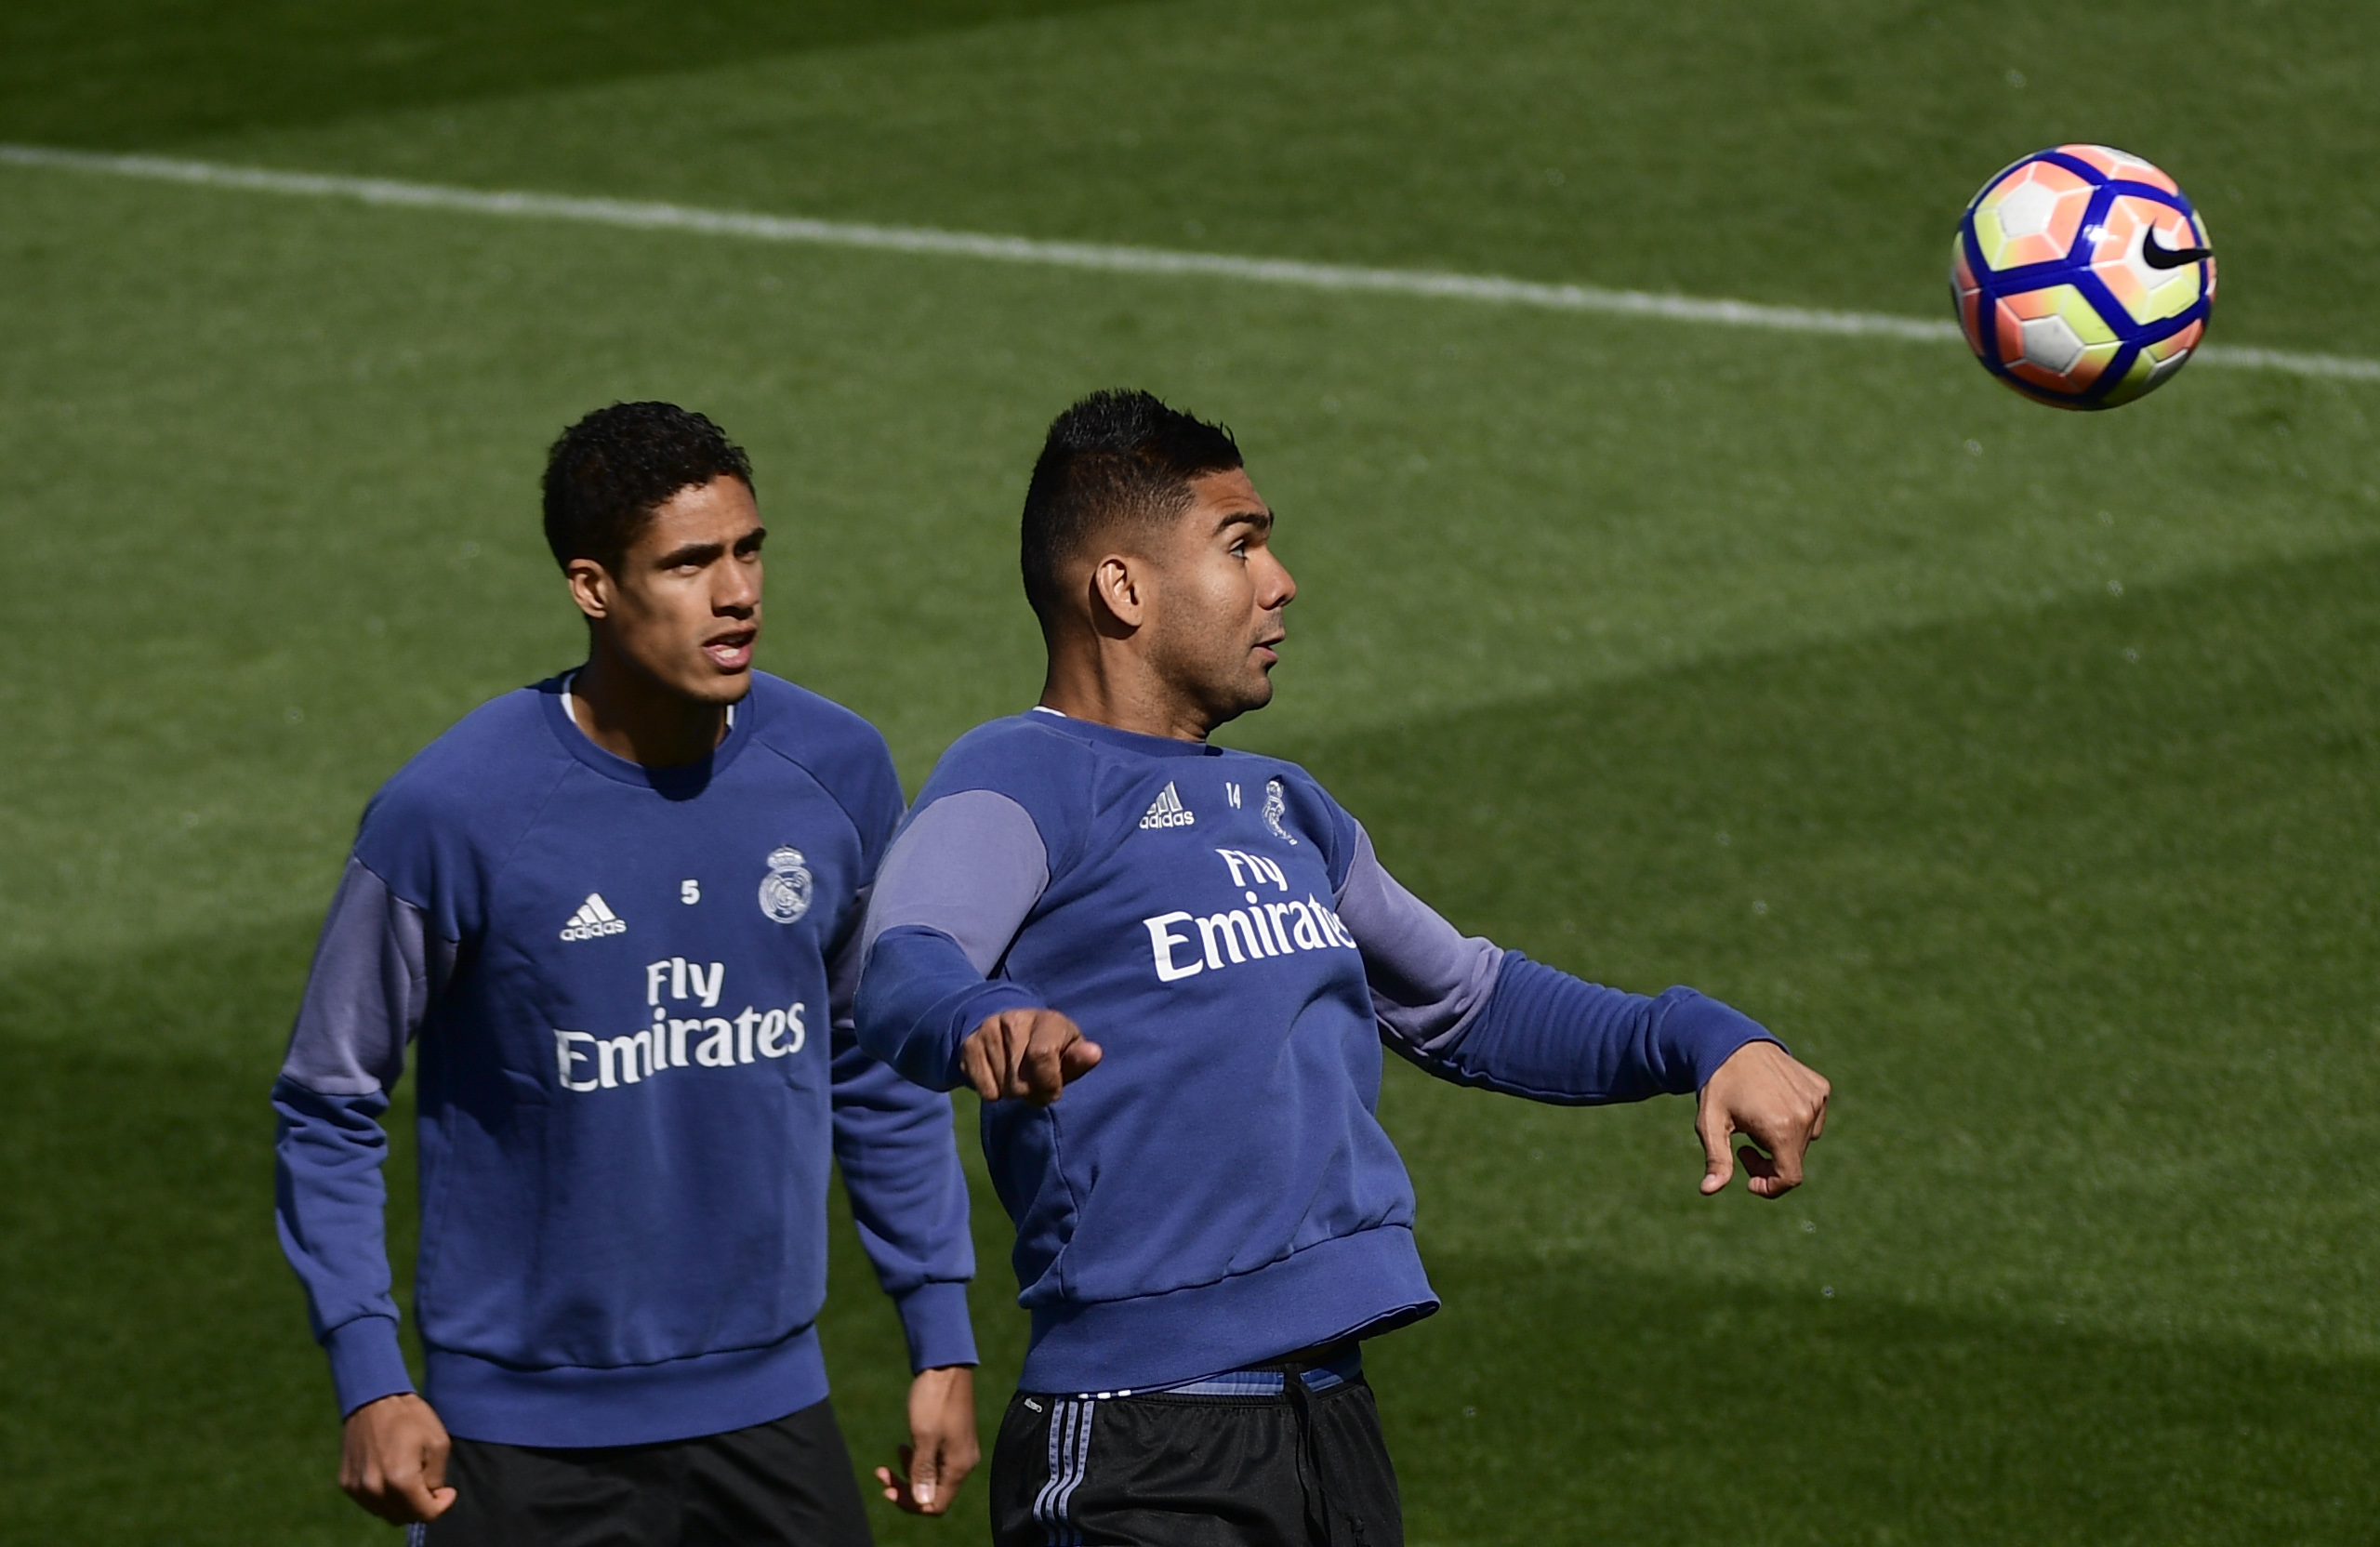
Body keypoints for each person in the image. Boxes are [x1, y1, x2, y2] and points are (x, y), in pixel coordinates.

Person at [853, 389, 1831, 1547]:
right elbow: (905, 962)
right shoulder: (1020, 774)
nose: (1281, 581)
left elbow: (1471, 999)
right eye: (1241, 543)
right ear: (1122, 588)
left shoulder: (1284, 807)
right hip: (1139, 1442)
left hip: (1327, 1423)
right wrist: (984, 1015)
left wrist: (1703, 1035)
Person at [271, 402, 981, 1545]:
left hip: (771, 1412)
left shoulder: (835, 770)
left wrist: (939, 1331)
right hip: (517, 1438)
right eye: (689, 563)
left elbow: (876, 1057)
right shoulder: (451, 813)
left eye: (748, 550)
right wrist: (370, 1372)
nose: (737, 591)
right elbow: (328, 1099)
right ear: (593, 586)